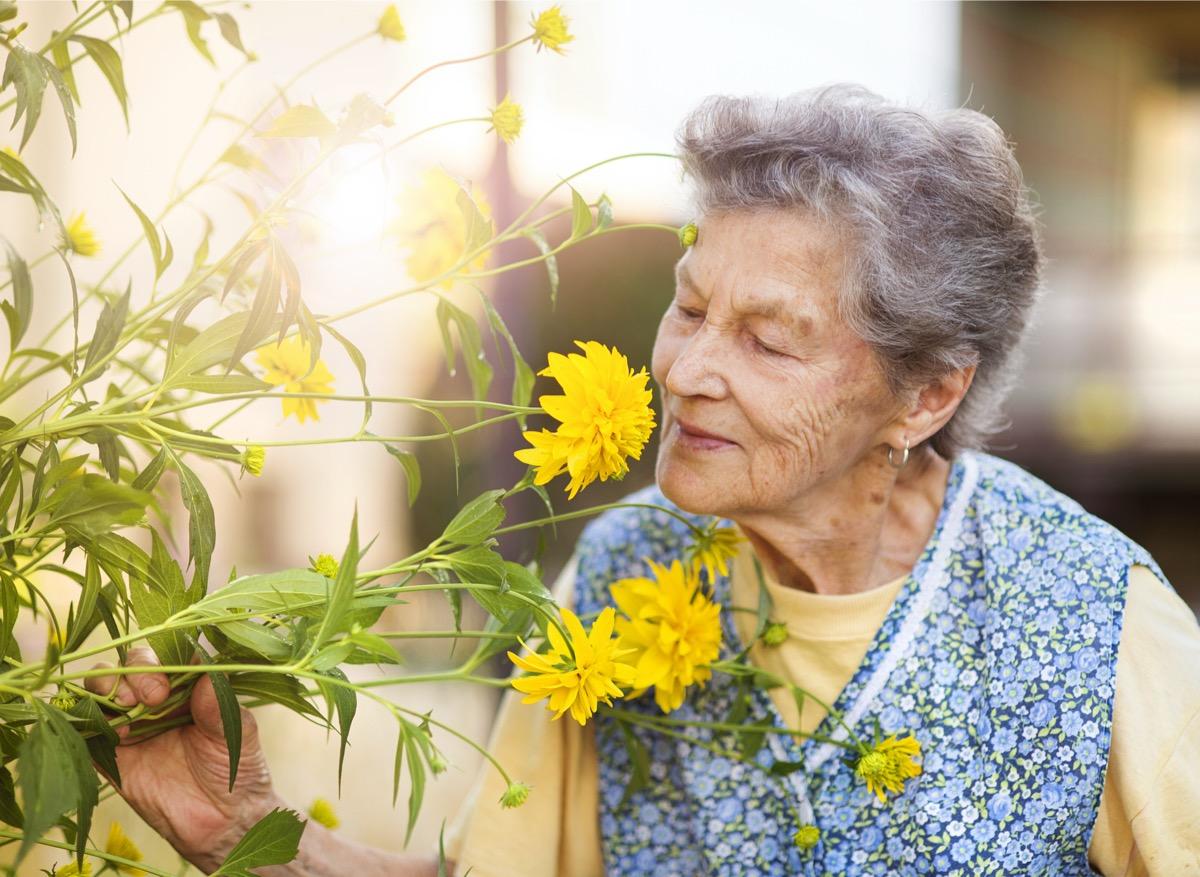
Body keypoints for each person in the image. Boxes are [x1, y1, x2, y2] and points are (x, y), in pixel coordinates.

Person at [90, 84, 1200, 876]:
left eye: (770, 339)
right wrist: (248, 836)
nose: (687, 370)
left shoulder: (1093, 620)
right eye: (691, 304)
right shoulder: (622, 568)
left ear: (926, 398)